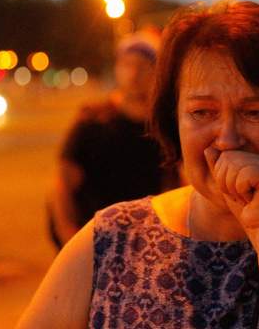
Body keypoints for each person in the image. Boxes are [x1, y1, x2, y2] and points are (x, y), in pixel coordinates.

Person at [19, 0, 259, 328]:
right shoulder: (110, 240)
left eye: (255, 112)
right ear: (175, 121)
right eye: (202, 112)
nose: (227, 138)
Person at [48, 29, 180, 248]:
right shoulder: (93, 120)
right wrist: (69, 239)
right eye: (127, 64)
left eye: (143, 65)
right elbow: (63, 185)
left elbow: (175, 187)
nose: (134, 74)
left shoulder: (164, 129)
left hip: (144, 248)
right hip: (92, 243)